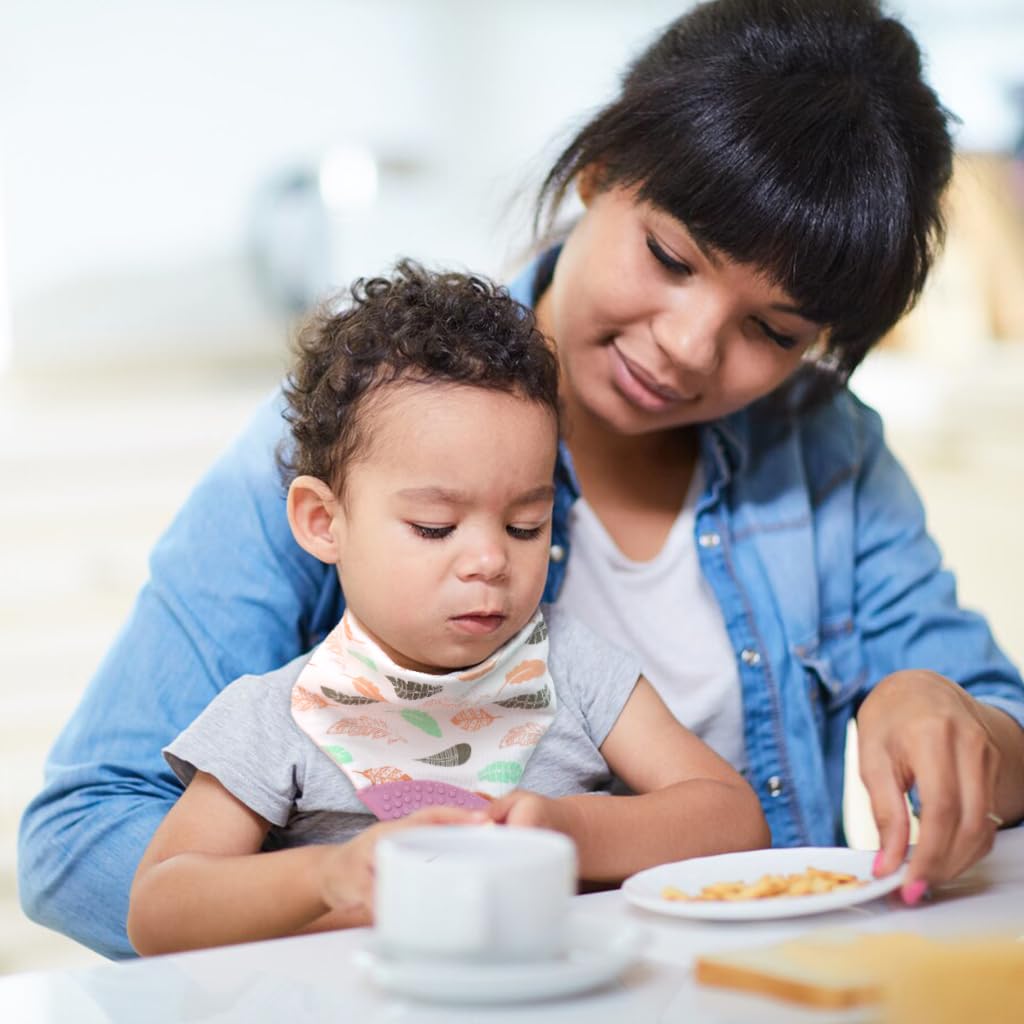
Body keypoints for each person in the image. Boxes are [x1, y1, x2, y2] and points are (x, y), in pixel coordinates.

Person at [20, 0, 1024, 960]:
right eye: (671, 256)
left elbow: (987, 740)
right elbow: (77, 840)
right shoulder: (364, 431)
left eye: (772, 330)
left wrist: (941, 710)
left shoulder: (823, 448)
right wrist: (374, 885)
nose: (685, 346)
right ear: (597, 172)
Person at [124, 262, 767, 954]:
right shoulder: (275, 718)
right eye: (435, 527)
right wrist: (326, 874)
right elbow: (159, 912)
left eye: (526, 526)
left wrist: (575, 832)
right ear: (322, 522)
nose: (491, 560)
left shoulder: (572, 665)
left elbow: (734, 821)